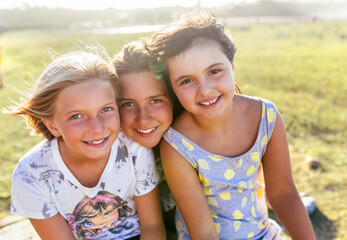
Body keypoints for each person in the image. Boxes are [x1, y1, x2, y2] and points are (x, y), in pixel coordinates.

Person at [145, 10, 316, 240]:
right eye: (186, 81)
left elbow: (284, 194)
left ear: (232, 66)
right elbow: (203, 232)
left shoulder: (266, 117)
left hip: (263, 234)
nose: (205, 90)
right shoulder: (177, 144)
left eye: (214, 71)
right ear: (173, 88)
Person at [4, 49, 166, 240]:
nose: (97, 128)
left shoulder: (133, 149)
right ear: (52, 125)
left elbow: (153, 226)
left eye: (106, 109)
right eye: (77, 116)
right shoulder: (32, 174)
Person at [111, 41, 176, 233]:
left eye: (155, 101)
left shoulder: (190, 139)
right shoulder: (108, 146)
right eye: (128, 104)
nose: (143, 118)